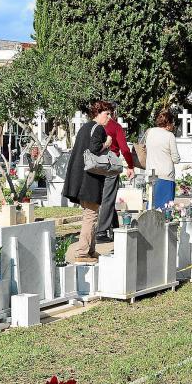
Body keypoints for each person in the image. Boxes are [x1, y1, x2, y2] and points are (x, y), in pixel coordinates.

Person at [62, 100, 114, 263]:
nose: (109, 117)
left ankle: (91, 249)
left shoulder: (85, 127)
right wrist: (107, 143)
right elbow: (94, 149)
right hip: (89, 179)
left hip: (80, 177)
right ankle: (83, 252)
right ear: (98, 113)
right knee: (90, 215)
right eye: (107, 113)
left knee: (91, 213)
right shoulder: (98, 128)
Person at [96, 107, 135, 242]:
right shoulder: (115, 126)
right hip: (111, 163)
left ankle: (114, 227)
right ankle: (101, 231)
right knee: (108, 198)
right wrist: (130, 166)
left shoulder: (95, 124)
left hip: (96, 164)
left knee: (108, 196)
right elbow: (124, 148)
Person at [145, 110, 180, 209]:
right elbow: (175, 158)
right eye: (172, 122)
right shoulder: (169, 136)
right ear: (168, 123)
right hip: (166, 175)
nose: (173, 125)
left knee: (151, 203)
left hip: (151, 173)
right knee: (165, 207)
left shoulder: (150, 132)